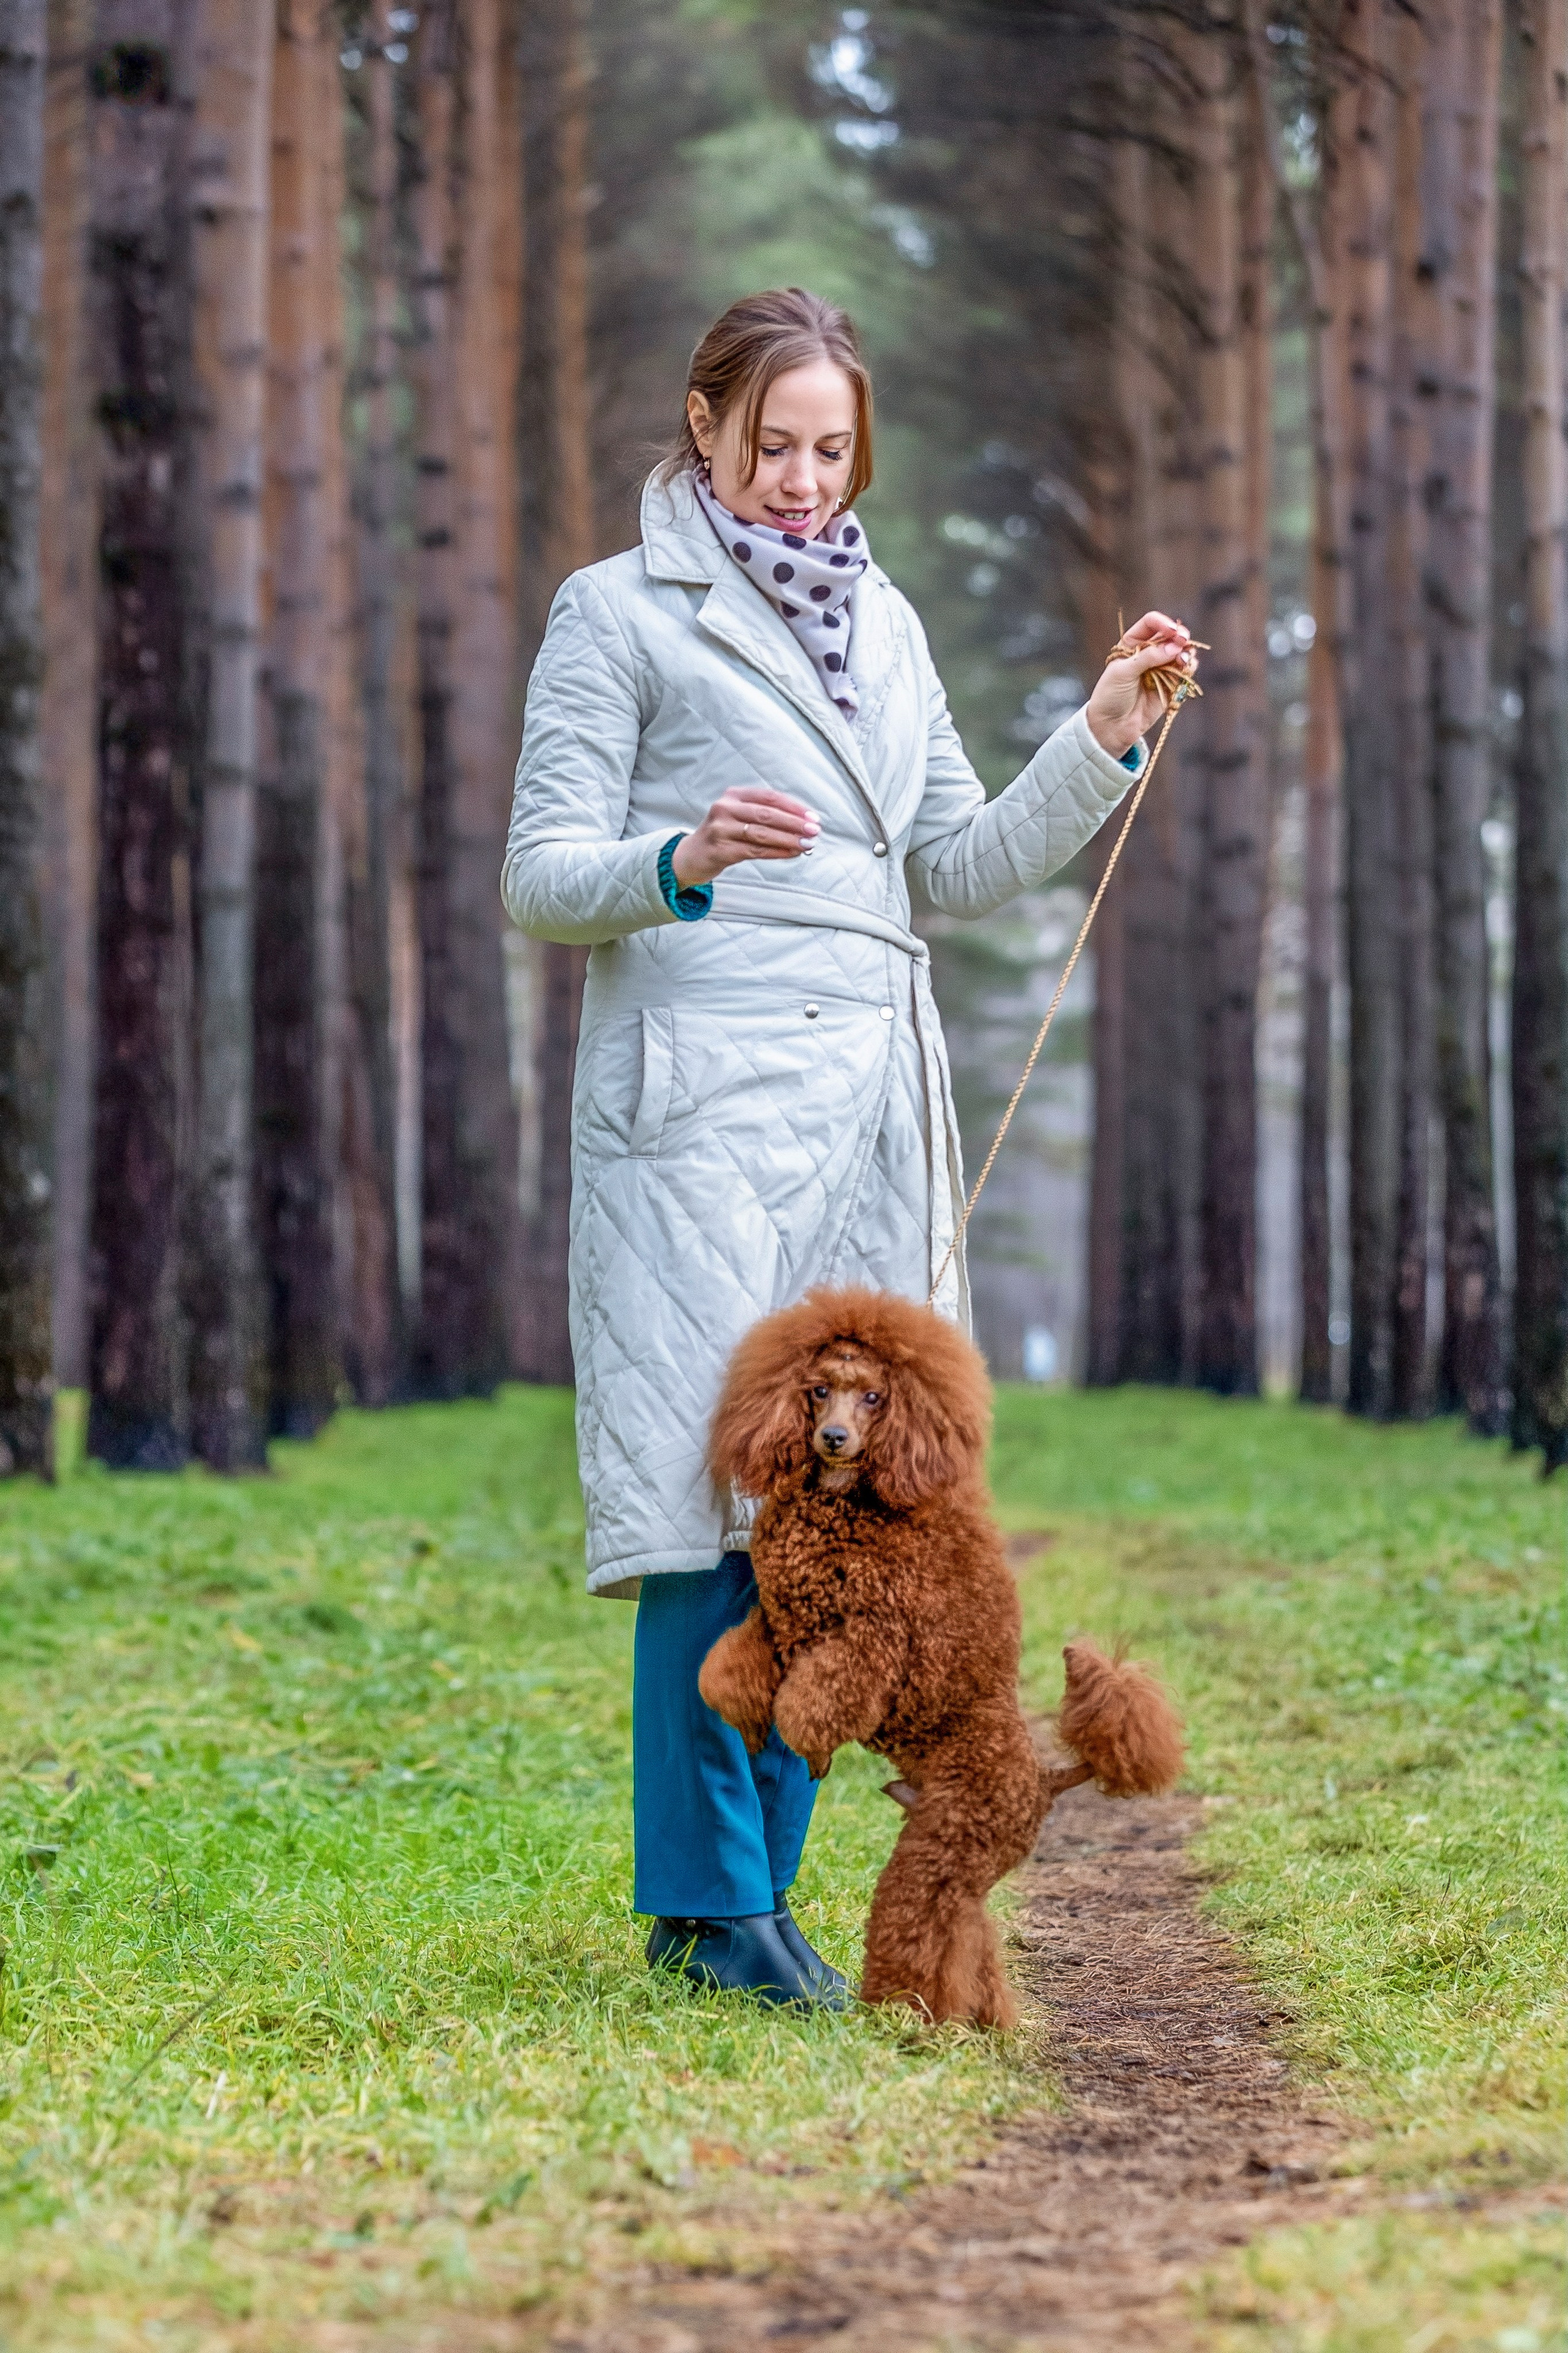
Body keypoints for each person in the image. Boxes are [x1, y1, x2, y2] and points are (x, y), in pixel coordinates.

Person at [502, 287, 1194, 2008]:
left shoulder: (882, 622)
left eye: (832, 449)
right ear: (704, 423)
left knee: (863, 1515)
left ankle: (763, 1898)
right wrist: (679, 853)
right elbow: (539, 870)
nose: (806, 480)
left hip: (870, 1113)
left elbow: (951, 862)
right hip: (700, 1113)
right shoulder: (615, 615)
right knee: (711, 1510)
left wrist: (1103, 728)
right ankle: (710, 1905)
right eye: (776, 444)